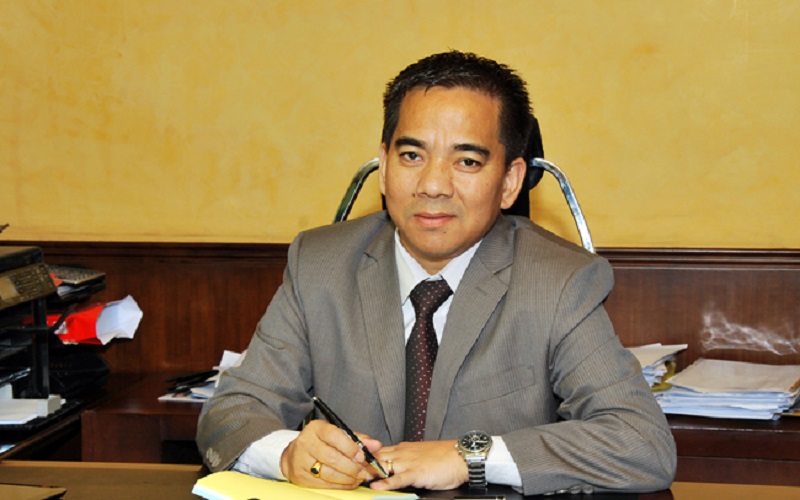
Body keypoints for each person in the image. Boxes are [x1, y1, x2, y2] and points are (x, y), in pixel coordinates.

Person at [196, 50, 676, 496]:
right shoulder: (320, 264)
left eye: (466, 161)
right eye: (412, 156)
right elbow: (231, 413)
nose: (432, 185)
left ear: (510, 181)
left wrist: (469, 456)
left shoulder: (558, 281)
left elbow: (642, 443)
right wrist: (286, 455)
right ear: (384, 166)